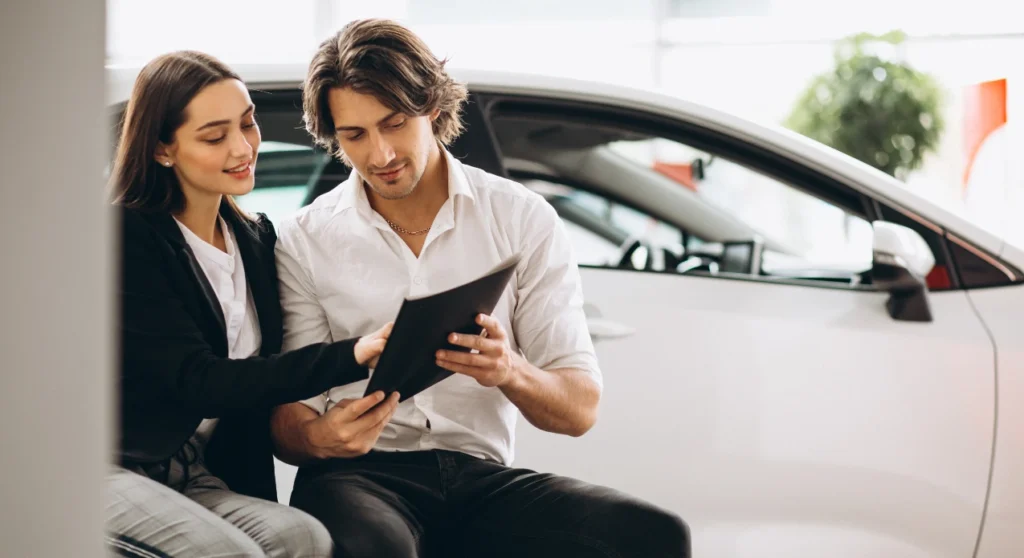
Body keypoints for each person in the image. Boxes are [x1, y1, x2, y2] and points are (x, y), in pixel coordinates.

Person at [270, 19, 691, 558]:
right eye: (354, 135)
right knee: (375, 546)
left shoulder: (522, 219)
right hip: (356, 479)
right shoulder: (304, 239)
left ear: (434, 110)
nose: (379, 154)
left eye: (394, 123)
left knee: (652, 535)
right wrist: (321, 437)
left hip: (479, 478)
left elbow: (580, 409)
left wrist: (508, 369)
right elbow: (287, 421)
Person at [106, 50, 401, 558]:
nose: (244, 147)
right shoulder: (126, 236)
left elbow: (264, 383)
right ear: (161, 150)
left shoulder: (256, 239)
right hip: (107, 467)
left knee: (304, 536)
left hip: (192, 471)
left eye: (248, 124)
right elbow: (201, 380)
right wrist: (349, 355)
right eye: (215, 136)